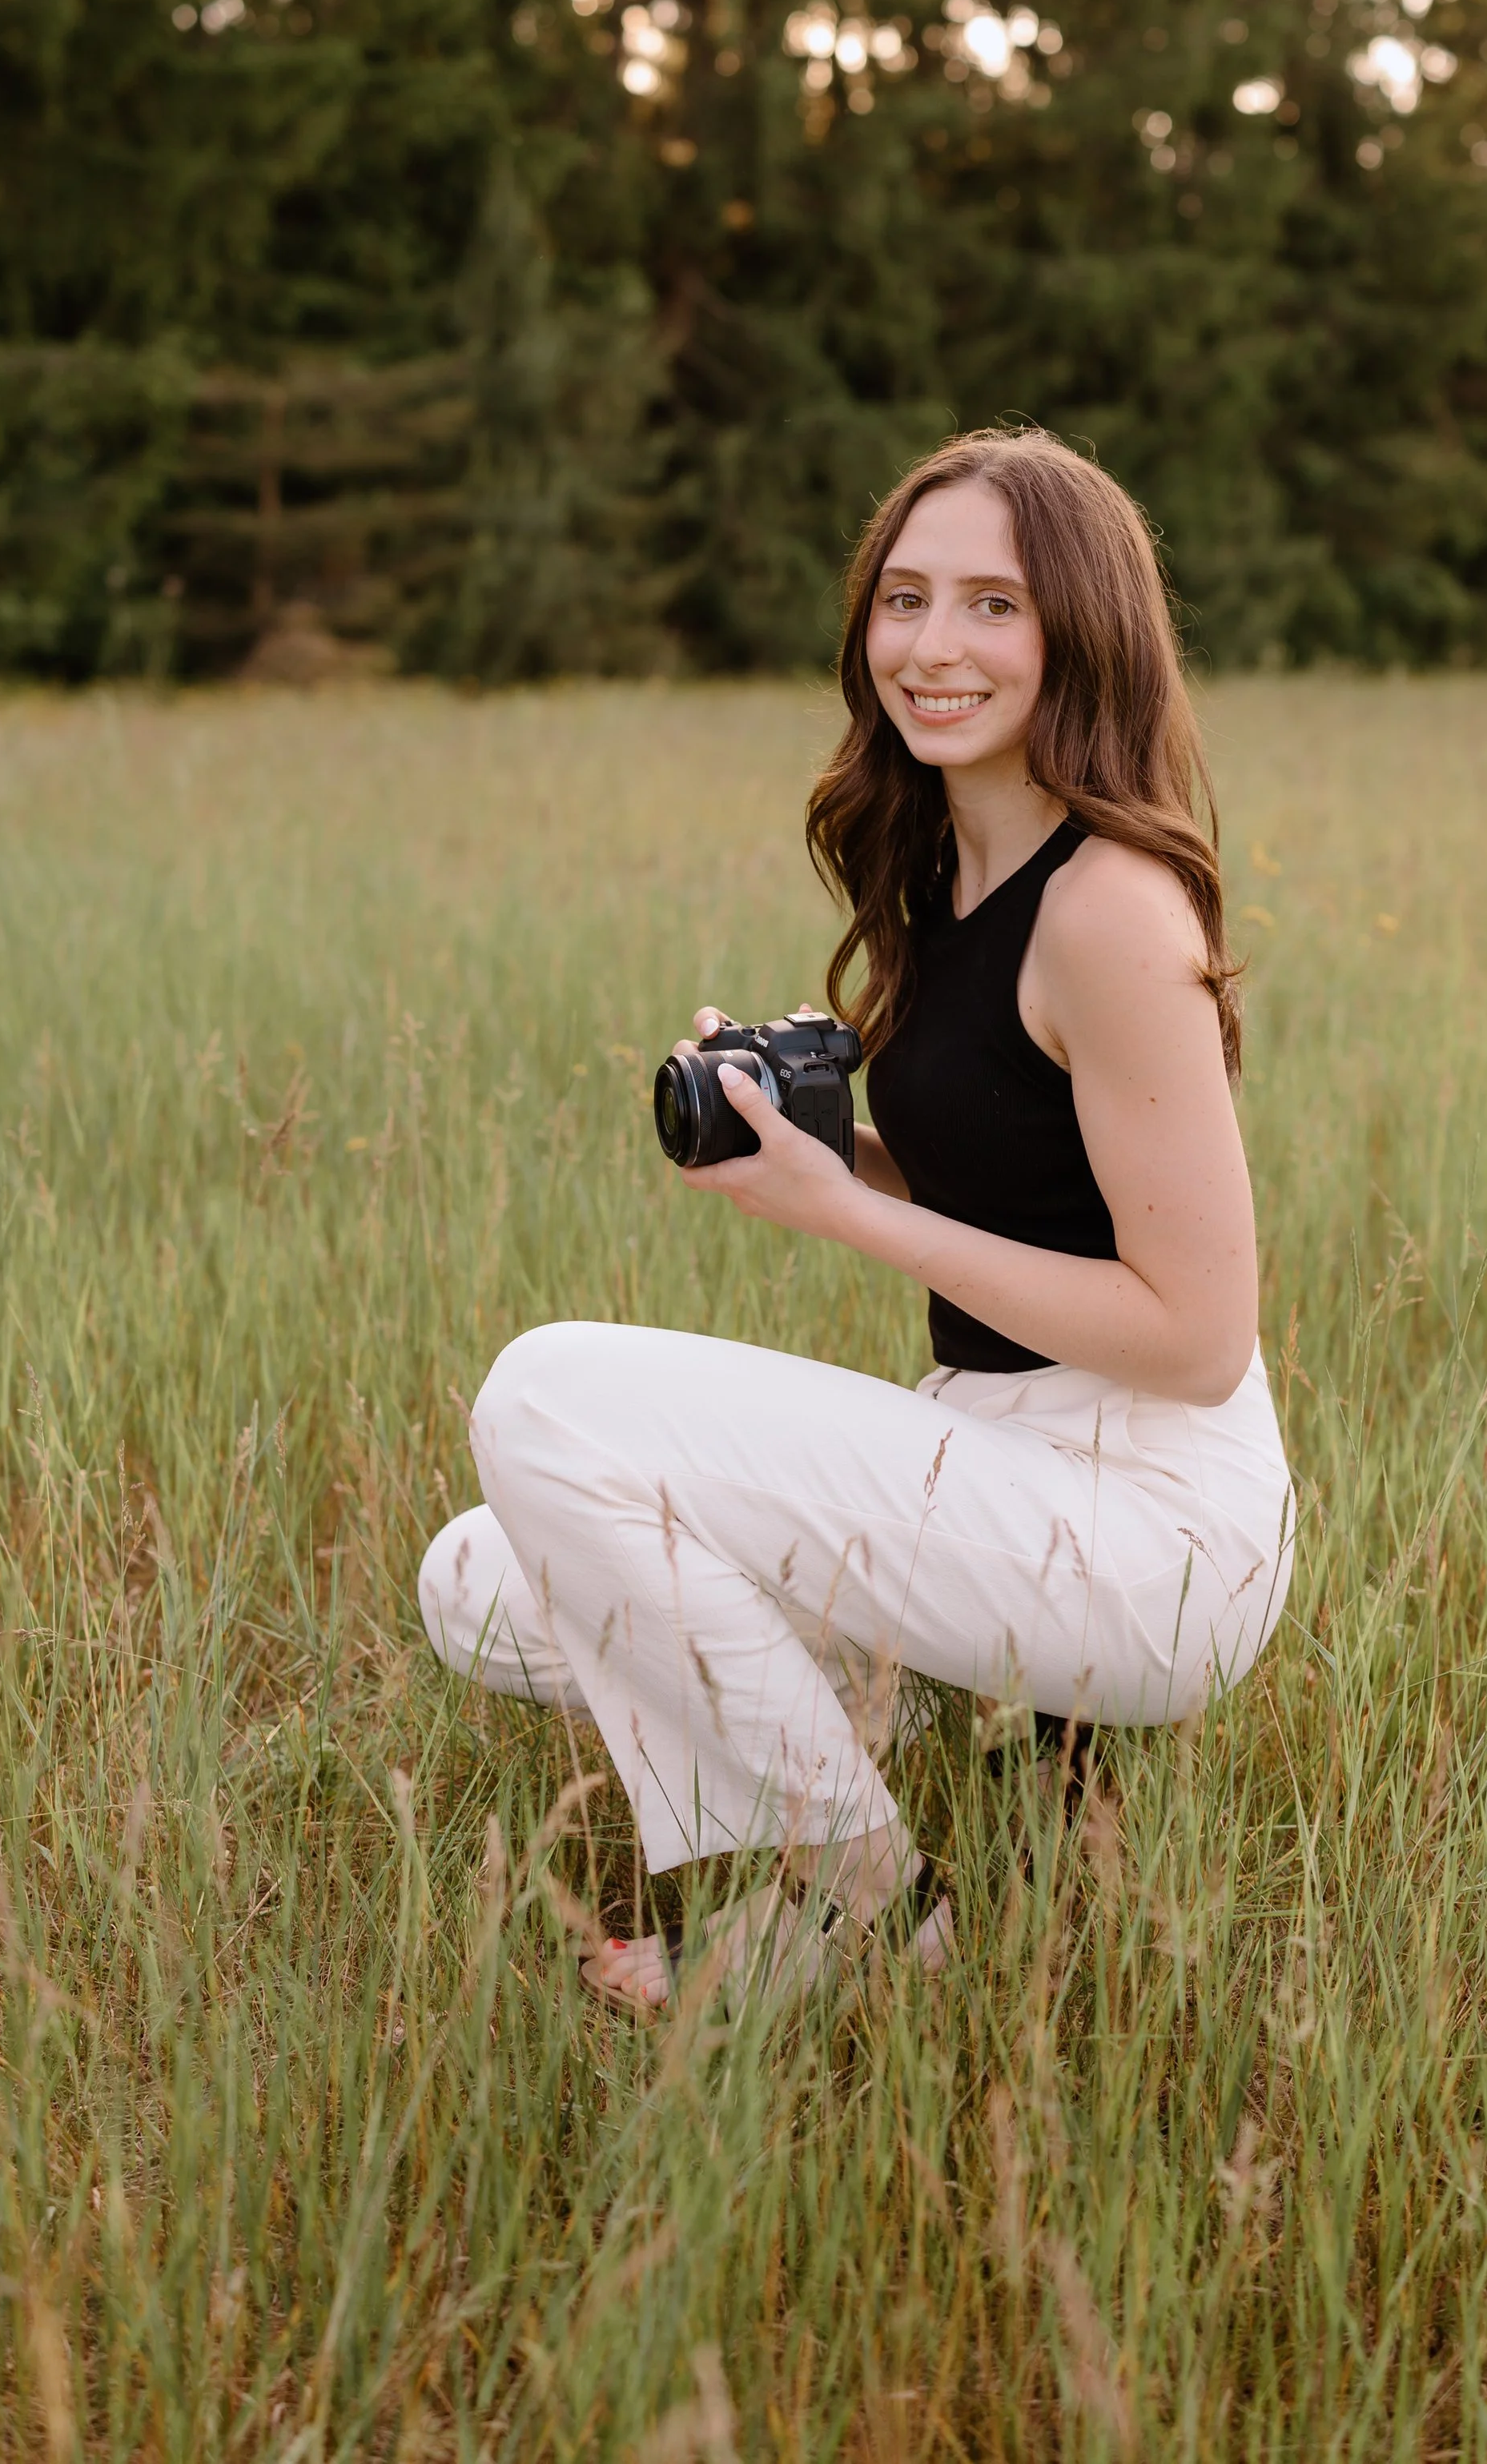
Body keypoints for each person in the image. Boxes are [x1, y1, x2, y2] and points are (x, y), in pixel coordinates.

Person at [416, 427, 1292, 2015]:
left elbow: (1192, 1335)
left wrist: (847, 1218)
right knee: (479, 1577)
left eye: (990, 606)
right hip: (996, 1454)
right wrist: (811, 1149)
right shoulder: (939, 864)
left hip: (1147, 1526)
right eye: (902, 597)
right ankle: (895, 1713)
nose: (930, 646)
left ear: (1078, 631)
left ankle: (873, 1906)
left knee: (541, 1394)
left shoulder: (1107, 906)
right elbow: (1012, 1193)